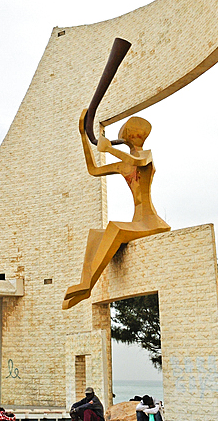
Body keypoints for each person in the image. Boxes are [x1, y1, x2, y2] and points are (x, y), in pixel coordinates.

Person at [63, 110, 171, 309]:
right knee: (95, 235)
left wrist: (109, 150)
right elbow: (93, 170)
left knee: (115, 227)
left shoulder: (146, 156)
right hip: (138, 221)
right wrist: (82, 137)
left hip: (151, 222)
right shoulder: (124, 165)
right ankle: (84, 283)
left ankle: (87, 285)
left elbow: (138, 161)